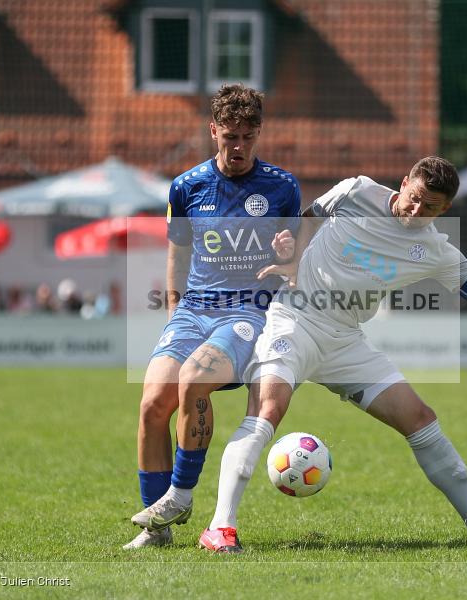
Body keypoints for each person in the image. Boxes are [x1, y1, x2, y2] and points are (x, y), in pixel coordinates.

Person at [141, 156, 467, 553]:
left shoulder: (436, 250)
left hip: (345, 341)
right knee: (268, 410)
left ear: (445, 210)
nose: (417, 210)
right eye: (415, 197)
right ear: (404, 183)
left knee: (421, 418)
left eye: (431, 207)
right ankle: (220, 529)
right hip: (293, 320)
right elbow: (308, 217)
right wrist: (292, 258)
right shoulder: (358, 190)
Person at [123, 84, 302, 549]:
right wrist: (173, 312)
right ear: (213, 131)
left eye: (247, 137)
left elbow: (293, 262)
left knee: (193, 380)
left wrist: (287, 253)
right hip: (192, 312)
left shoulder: (282, 187)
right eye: (229, 136)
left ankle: (180, 496)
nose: (238, 146)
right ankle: (156, 531)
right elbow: (178, 254)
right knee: (151, 403)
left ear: (258, 134)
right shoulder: (186, 187)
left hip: (247, 313)